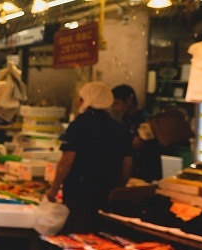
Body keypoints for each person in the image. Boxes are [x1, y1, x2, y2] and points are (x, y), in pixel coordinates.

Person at [45, 82, 133, 233]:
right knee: (99, 236)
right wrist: (118, 189)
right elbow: (127, 166)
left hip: (78, 192)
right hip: (106, 193)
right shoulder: (119, 128)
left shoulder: (79, 124)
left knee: (76, 237)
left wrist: (53, 189)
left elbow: (67, 160)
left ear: (85, 100)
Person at [111, 84, 162, 182]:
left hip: (145, 172)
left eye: (117, 103)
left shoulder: (145, 120)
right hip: (131, 171)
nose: (115, 108)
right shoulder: (125, 119)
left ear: (129, 101)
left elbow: (137, 144)